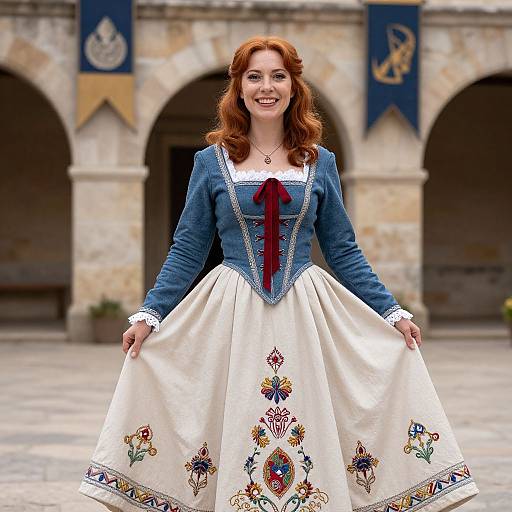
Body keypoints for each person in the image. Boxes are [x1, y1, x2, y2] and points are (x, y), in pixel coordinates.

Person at [78, 36, 479, 512]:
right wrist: (150, 314)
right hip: (232, 308)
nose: (265, 87)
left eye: (277, 76)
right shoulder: (210, 163)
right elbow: (188, 247)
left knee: (316, 412)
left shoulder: (319, 161)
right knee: (225, 412)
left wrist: (391, 312)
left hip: (305, 311)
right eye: (254, 77)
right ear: (239, 89)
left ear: (293, 87)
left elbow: (343, 249)